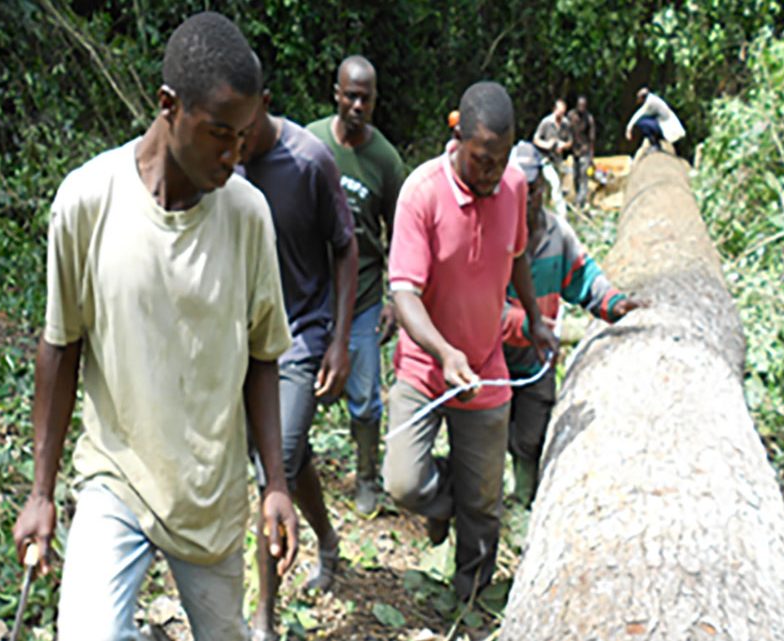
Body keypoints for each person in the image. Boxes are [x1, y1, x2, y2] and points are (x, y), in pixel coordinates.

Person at [11, 13, 299, 641]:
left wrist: (274, 483)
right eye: (219, 134)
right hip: (115, 477)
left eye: (244, 136)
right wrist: (41, 492)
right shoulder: (87, 202)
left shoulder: (248, 216)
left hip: (209, 496)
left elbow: (262, 355)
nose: (233, 154)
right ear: (168, 106)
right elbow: (60, 346)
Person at [383, 81, 559, 602]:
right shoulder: (421, 193)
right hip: (424, 365)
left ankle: (472, 594)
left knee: (485, 502)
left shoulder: (512, 187)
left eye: (499, 161)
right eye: (482, 160)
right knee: (404, 483)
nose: (490, 173)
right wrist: (443, 353)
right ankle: (445, 501)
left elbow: (518, 255)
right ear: (456, 136)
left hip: (486, 365)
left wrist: (534, 316)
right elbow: (405, 294)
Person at [239, 74, 359, 639]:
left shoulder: (309, 161)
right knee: (291, 453)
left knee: (274, 467)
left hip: (299, 339)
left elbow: (345, 245)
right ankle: (327, 537)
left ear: (263, 104)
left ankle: (264, 617)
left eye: (240, 122)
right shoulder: (220, 159)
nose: (230, 137)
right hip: (241, 341)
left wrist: (338, 339)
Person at [503, 140, 645, 506]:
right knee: (489, 436)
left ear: (542, 191)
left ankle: (522, 506)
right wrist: (526, 325)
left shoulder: (557, 236)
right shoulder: (493, 236)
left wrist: (613, 303)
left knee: (530, 439)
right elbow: (481, 308)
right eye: (518, 191)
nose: (526, 199)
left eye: (532, 191)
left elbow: (583, 277)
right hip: (492, 362)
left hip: (537, 363)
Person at [307, 55, 407, 516]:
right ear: (336, 93)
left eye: (366, 98)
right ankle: (288, 465)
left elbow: (401, 233)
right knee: (295, 381)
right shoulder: (311, 143)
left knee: (365, 398)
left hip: (364, 294)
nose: (357, 105)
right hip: (310, 290)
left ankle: (367, 475)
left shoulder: (385, 160)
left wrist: (392, 297)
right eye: (350, 95)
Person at [531, 98, 573, 217]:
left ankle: (547, 211)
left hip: (558, 160)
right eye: (559, 112)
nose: (561, 115)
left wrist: (563, 145)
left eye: (563, 112)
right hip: (546, 159)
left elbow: (570, 141)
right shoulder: (546, 123)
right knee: (555, 184)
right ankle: (561, 214)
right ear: (554, 110)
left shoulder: (566, 124)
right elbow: (536, 139)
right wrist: (547, 145)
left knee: (554, 187)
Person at [625, 87, 686, 151]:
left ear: (642, 98)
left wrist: (629, 128)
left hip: (667, 128)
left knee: (641, 123)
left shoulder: (650, 103)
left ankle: (655, 145)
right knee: (646, 120)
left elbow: (639, 114)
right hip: (665, 124)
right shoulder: (652, 99)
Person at [567, 95, 596, 209]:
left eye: (584, 106)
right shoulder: (571, 116)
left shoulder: (589, 119)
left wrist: (591, 156)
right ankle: (578, 197)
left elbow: (592, 139)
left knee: (584, 176)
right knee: (576, 176)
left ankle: (580, 201)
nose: (581, 108)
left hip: (585, 151)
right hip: (575, 151)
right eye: (580, 105)